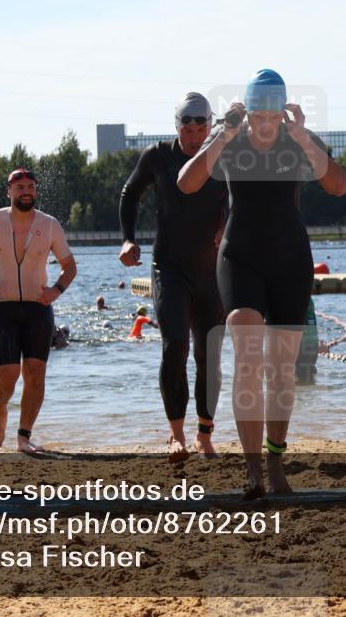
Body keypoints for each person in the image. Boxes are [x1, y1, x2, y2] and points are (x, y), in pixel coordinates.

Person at [178, 69, 346, 498]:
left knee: (282, 368)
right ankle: (252, 469)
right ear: (250, 112)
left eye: (274, 114)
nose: (266, 123)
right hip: (241, 258)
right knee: (249, 357)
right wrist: (221, 134)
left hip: (290, 260)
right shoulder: (232, 141)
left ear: (283, 112)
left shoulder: (297, 142)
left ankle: (275, 461)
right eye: (259, 114)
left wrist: (307, 137)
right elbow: (187, 183)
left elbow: (339, 186)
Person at [119, 92, 229, 460]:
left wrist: (226, 228)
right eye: (188, 124)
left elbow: (237, 200)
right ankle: (176, 434)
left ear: (210, 125)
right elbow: (129, 193)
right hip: (170, 268)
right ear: (177, 125)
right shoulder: (158, 157)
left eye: (202, 124)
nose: (195, 131)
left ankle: (205, 434)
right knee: (175, 346)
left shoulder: (222, 155)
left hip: (212, 271)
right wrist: (127, 239)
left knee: (208, 354)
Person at [0, 168, 77, 454]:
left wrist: (56, 290)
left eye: (30, 186)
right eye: (20, 187)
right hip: (3, 309)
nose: (26, 191)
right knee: (6, 375)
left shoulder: (49, 225)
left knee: (35, 374)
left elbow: (70, 266)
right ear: (9, 191)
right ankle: (0, 413)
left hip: (38, 310)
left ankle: (24, 437)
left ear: (35, 191)